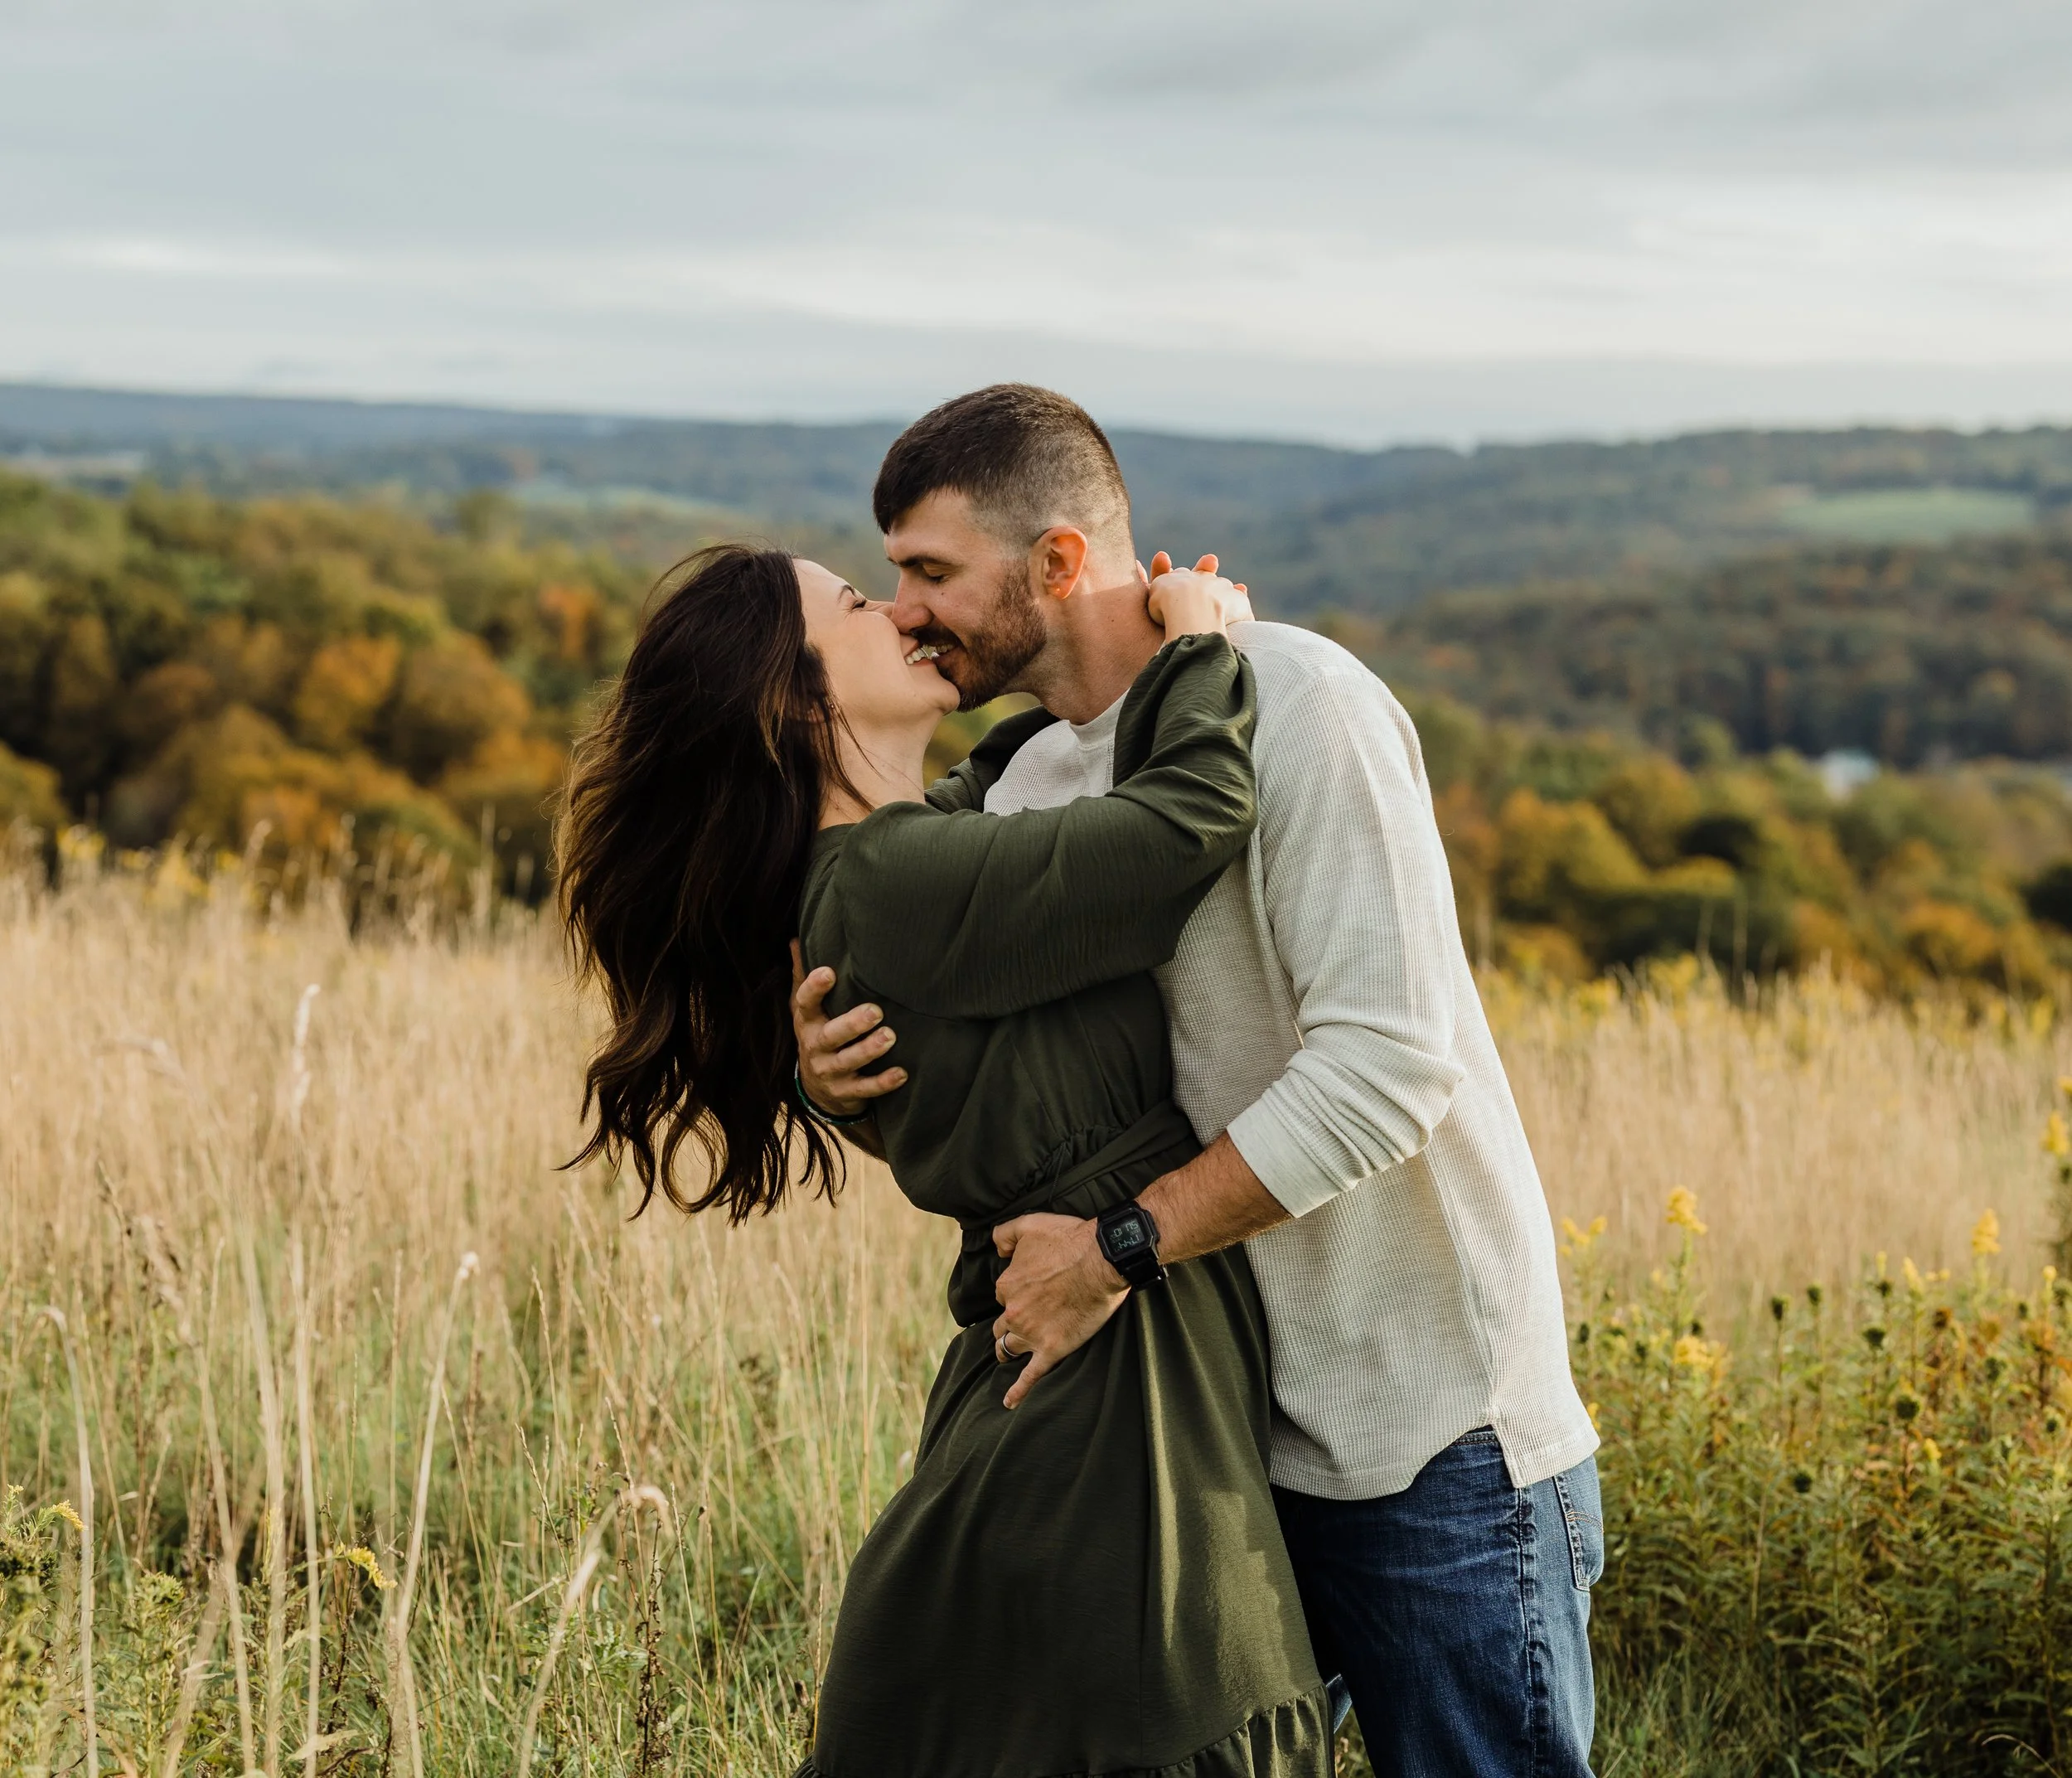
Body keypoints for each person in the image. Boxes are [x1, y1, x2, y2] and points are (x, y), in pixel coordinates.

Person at [796, 385, 1606, 1778]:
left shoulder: (1301, 703)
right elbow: (1029, 1096)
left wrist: (1121, 1248)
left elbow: (1387, 1069)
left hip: (1424, 1429)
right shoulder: (1026, 785)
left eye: (931, 572)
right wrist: (840, 1080)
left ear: (1057, 563)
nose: (907, 609)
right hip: (1211, 1433)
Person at [555, 542, 1332, 1777]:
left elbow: (984, 797)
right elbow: (1185, 826)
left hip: (1089, 1351)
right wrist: (1195, 644)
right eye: (859, 605)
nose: (900, 610)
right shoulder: (888, 881)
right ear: (794, 699)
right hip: (1099, 1384)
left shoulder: (882, 868)